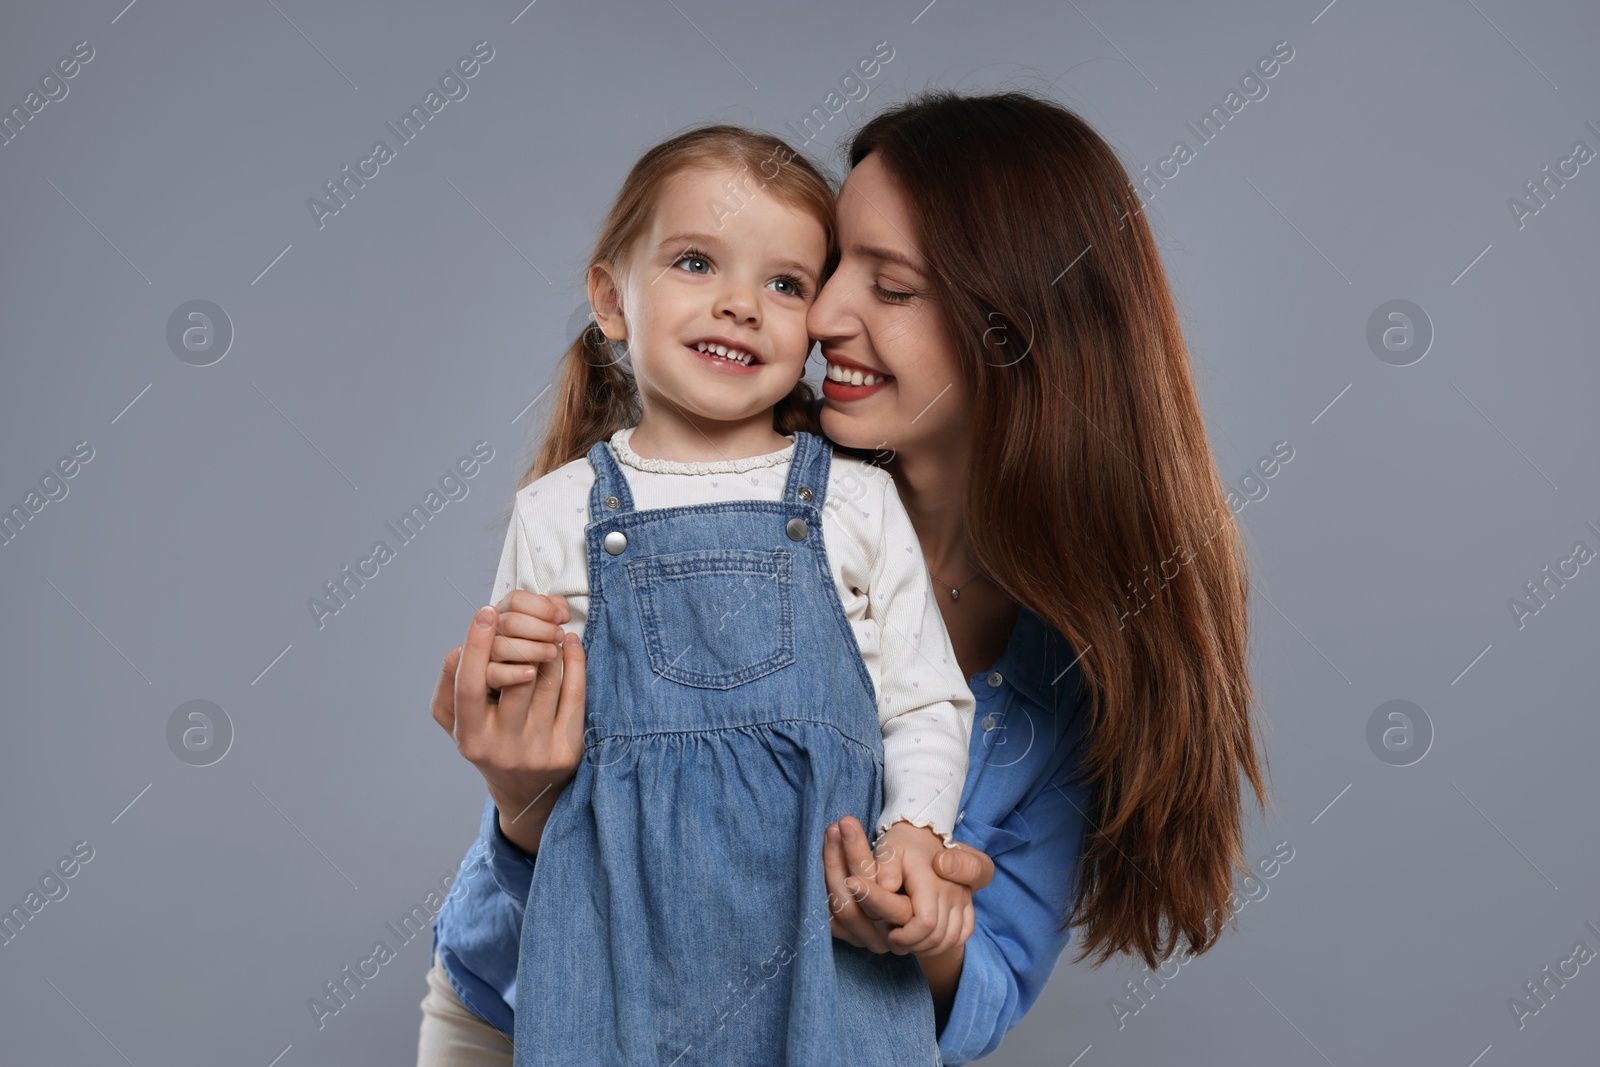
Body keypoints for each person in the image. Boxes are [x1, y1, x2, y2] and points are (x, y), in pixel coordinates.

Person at [423, 89, 1266, 1066]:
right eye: (827, 271)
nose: (820, 315)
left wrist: (928, 922)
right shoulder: (703, 488)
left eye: (889, 287)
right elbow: (519, 935)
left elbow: (984, 992)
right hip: (546, 1014)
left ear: (1010, 334)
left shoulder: (1073, 670)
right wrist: (520, 804)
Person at [438, 122, 984, 1067]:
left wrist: (914, 833)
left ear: (812, 327)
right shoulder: (558, 512)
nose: (741, 305)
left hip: (826, 950)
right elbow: (533, 745)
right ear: (612, 298)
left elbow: (927, 699)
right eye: (697, 262)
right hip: (620, 952)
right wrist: (514, 680)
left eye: (785, 285)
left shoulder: (853, 500)